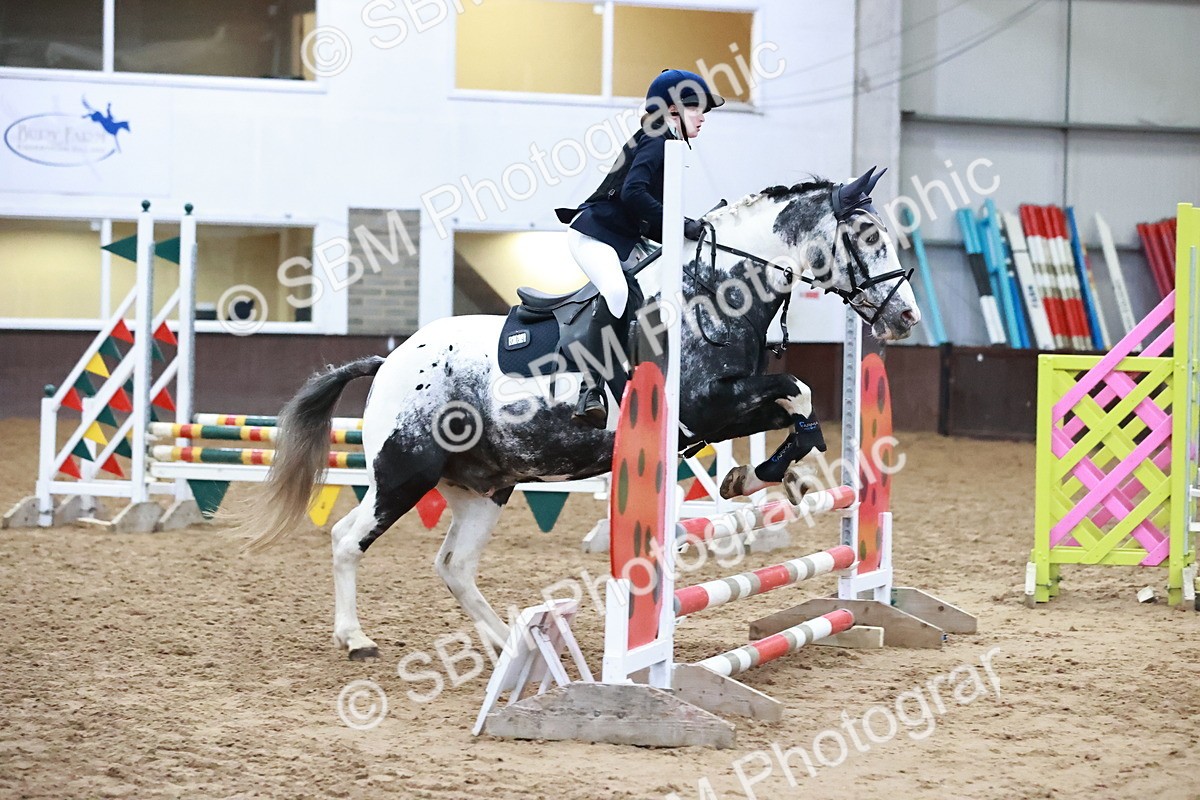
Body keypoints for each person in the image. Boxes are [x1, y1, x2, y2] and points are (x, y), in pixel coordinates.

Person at [555, 69, 724, 428]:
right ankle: (589, 389)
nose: (704, 117)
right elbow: (633, 194)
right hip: (594, 235)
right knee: (616, 291)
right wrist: (681, 225)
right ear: (674, 111)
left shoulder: (670, 143)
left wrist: (692, 230)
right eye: (697, 109)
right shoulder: (656, 137)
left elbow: (649, 215)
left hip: (623, 239)